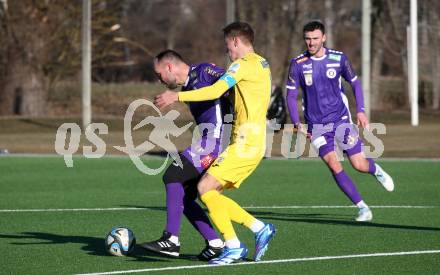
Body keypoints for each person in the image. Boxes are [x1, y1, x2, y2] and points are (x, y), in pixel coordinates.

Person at [154, 22, 276, 265]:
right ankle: (258, 228)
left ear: (236, 42)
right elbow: (243, 95)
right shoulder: (262, 64)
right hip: (249, 141)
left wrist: (177, 96)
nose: (227, 52)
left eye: (227, 46)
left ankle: (233, 245)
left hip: (245, 142)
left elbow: (216, 90)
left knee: (205, 189)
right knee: (209, 193)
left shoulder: (241, 65)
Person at [285, 21, 394, 222]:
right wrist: (296, 122)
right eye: (308, 39)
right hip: (315, 126)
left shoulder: (338, 59)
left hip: (341, 120)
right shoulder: (298, 64)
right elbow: (291, 96)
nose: (311, 43)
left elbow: (355, 83)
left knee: (359, 164)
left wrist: (361, 111)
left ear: (324, 38)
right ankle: (363, 208)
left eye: (315, 38)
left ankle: (376, 170)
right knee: (334, 164)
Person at [140, 49, 230, 261]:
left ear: (169, 67)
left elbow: (230, 82)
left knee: (173, 175)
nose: (159, 79)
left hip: (216, 142)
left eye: (158, 74)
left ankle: (171, 239)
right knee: (185, 196)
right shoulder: (188, 86)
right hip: (207, 141)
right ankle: (215, 243)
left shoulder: (205, 71)